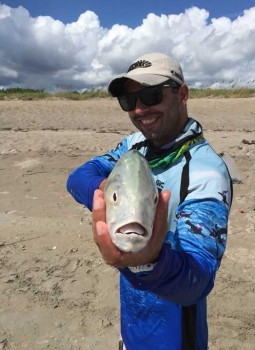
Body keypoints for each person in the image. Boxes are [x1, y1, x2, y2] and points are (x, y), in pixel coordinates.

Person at [67, 52, 233, 350]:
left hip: (176, 339)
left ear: (182, 94)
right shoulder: (135, 146)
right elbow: (79, 177)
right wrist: (112, 189)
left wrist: (149, 262)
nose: (140, 109)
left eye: (152, 94)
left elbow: (198, 278)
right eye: (129, 101)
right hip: (133, 328)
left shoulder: (206, 173)